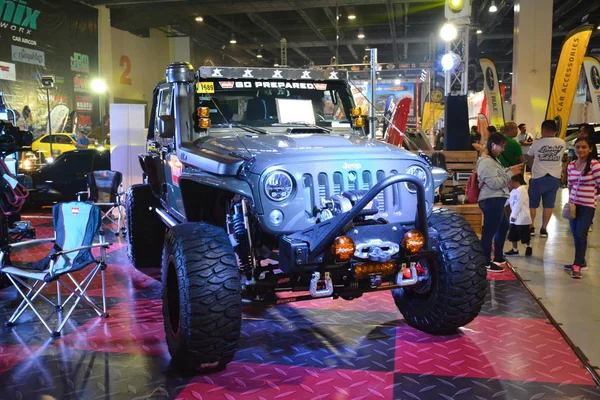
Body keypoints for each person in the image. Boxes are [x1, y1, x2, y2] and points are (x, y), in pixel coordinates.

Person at [476, 132, 523, 272]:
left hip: (497, 199)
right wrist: (510, 173)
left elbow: (498, 176)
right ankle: (485, 261)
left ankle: (498, 256)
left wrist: (509, 170)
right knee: (489, 231)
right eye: (501, 147)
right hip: (491, 199)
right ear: (492, 145)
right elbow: (495, 183)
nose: (502, 150)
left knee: (503, 227)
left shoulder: (493, 160)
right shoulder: (485, 162)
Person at [563, 136, 600, 279]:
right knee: (575, 234)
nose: (580, 150)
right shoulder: (571, 165)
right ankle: (581, 260)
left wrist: (592, 193)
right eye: (578, 147)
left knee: (581, 234)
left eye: (584, 147)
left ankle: (577, 264)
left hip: (587, 206)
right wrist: (570, 201)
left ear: (590, 149)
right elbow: (570, 185)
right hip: (574, 205)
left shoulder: (595, 165)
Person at [528, 120, 566, 238]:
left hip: (538, 176)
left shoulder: (537, 143)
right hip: (554, 177)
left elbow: (531, 156)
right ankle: (544, 229)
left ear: (543, 130)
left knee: (532, 204)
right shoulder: (562, 142)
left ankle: (531, 227)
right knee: (548, 205)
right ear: (555, 131)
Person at [504, 174, 532, 257]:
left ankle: (528, 246)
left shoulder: (522, 190)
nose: (509, 184)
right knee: (513, 235)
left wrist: (514, 216)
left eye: (510, 182)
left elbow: (518, 204)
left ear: (516, 182)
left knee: (524, 235)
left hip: (522, 218)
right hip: (514, 218)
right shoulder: (514, 191)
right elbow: (508, 200)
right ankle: (514, 250)